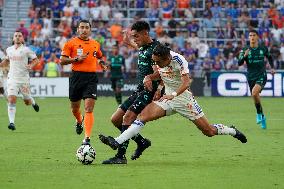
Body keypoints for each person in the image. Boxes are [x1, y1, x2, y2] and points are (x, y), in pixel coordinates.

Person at [99, 44, 247, 153]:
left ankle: (232, 131)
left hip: (183, 100)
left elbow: (186, 82)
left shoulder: (179, 60)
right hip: (167, 98)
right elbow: (160, 73)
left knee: (208, 131)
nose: (156, 64)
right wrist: (149, 77)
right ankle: (117, 141)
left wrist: (174, 94)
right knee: (143, 115)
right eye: (154, 62)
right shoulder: (159, 58)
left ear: (166, 58)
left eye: (158, 62)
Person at [100, 21, 162, 164]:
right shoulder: (143, 47)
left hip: (149, 91)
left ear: (145, 33)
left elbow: (161, 72)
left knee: (127, 118)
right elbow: (137, 47)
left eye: (136, 36)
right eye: (133, 37)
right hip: (139, 90)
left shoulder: (156, 50)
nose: (135, 39)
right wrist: (127, 41)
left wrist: (156, 86)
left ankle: (120, 156)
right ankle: (142, 142)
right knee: (115, 119)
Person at [60, 20, 107, 146]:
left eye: (87, 27)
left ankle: (87, 139)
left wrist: (101, 63)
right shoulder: (71, 43)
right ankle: (79, 120)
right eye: (82, 27)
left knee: (89, 108)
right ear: (77, 29)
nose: (84, 29)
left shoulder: (95, 44)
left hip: (91, 78)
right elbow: (62, 61)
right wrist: (76, 59)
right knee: (75, 108)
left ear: (90, 30)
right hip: (76, 77)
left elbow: (99, 56)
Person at [0, 31, 40, 131]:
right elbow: (6, 60)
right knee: (11, 99)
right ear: (13, 39)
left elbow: (36, 60)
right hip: (12, 79)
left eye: (19, 36)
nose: (17, 37)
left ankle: (33, 102)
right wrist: (1, 64)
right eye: (16, 36)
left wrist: (31, 65)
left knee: (27, 101)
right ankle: (12, 123)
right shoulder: (9, 50)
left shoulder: (26, 50)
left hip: (23, 79)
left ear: (22, 38)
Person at [238, 30, 275, 129]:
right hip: (251, 77)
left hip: (261, 75)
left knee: (254, 93)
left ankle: (258, 114)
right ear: (248, 37)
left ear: (257, 37)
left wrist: (272, 67)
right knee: (255, 97)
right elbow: (239, 63)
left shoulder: (263, 48)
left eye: (254, 35)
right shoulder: (245, 49)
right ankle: (262, 115)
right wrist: (244, 56)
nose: (252, 37)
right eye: (250, 35)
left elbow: (270, 58)